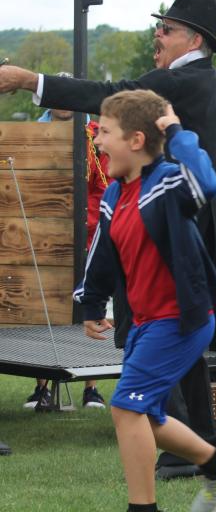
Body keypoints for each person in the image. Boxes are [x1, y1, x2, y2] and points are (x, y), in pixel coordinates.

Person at [0, 0, 216, 472]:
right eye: (158, 27)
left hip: (160, 216)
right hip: (201, 218)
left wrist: (29, 80)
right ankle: (199, 438)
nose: (156, 36)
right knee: (186, 330)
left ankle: (180, 445)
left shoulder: (177, 84)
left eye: (165, 29)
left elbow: (108, 98)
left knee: (150, 320)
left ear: (194, 40)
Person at [77, 90, 216, 512]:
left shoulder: (170, 182)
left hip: (181, 319)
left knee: (125, 407)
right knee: (147, 415)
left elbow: (207, 183)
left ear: (136, 141)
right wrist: (92, 304)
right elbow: (102, 251)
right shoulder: (117, 194)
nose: (97, 141)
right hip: (145, 322)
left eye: (105, 132)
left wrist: (175, 131)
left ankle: (143, 508)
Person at [24, 100, 109, 410]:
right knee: (47, 309)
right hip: (46, 229)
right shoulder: (35, 133)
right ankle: (41, 387)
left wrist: (88, 221)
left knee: (90, 305)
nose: (62, 105)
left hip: (86, 229)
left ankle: (92, 387)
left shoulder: (95, 136)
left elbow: (103, 184)